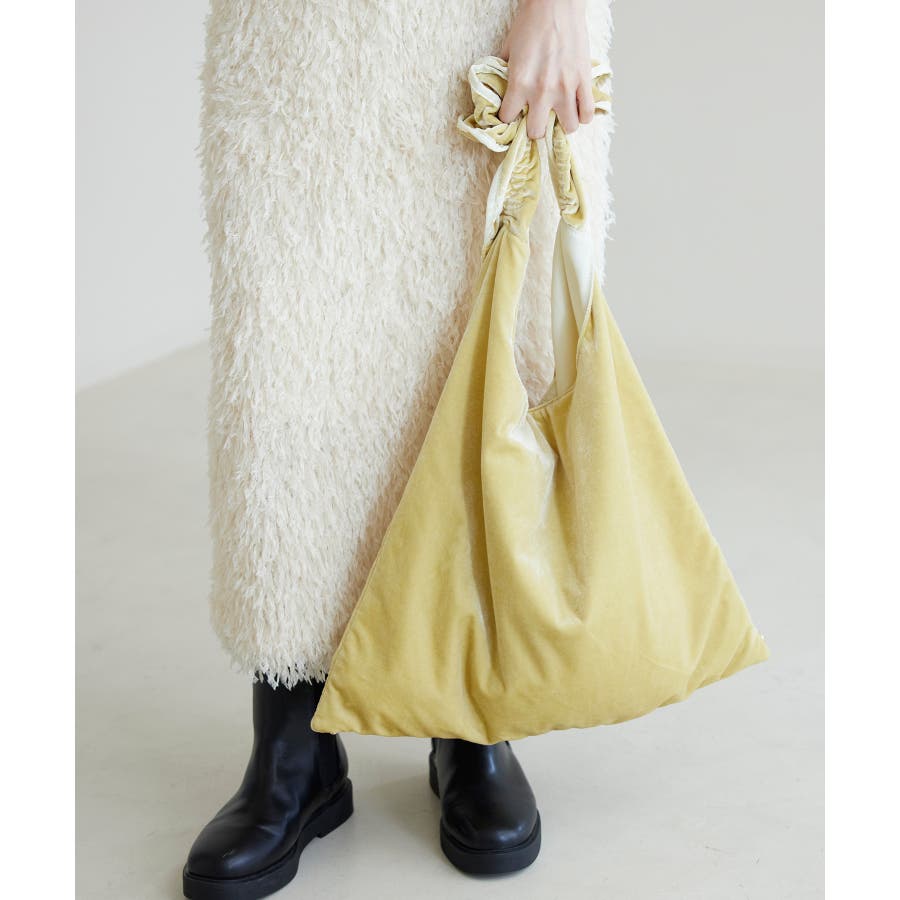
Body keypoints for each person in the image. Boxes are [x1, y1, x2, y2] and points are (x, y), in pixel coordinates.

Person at [183, 1, 614, 897]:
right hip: (289, 34)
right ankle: (294, 743)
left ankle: (471, 710)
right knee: (282, 366)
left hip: (484, 20)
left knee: (483, 348)